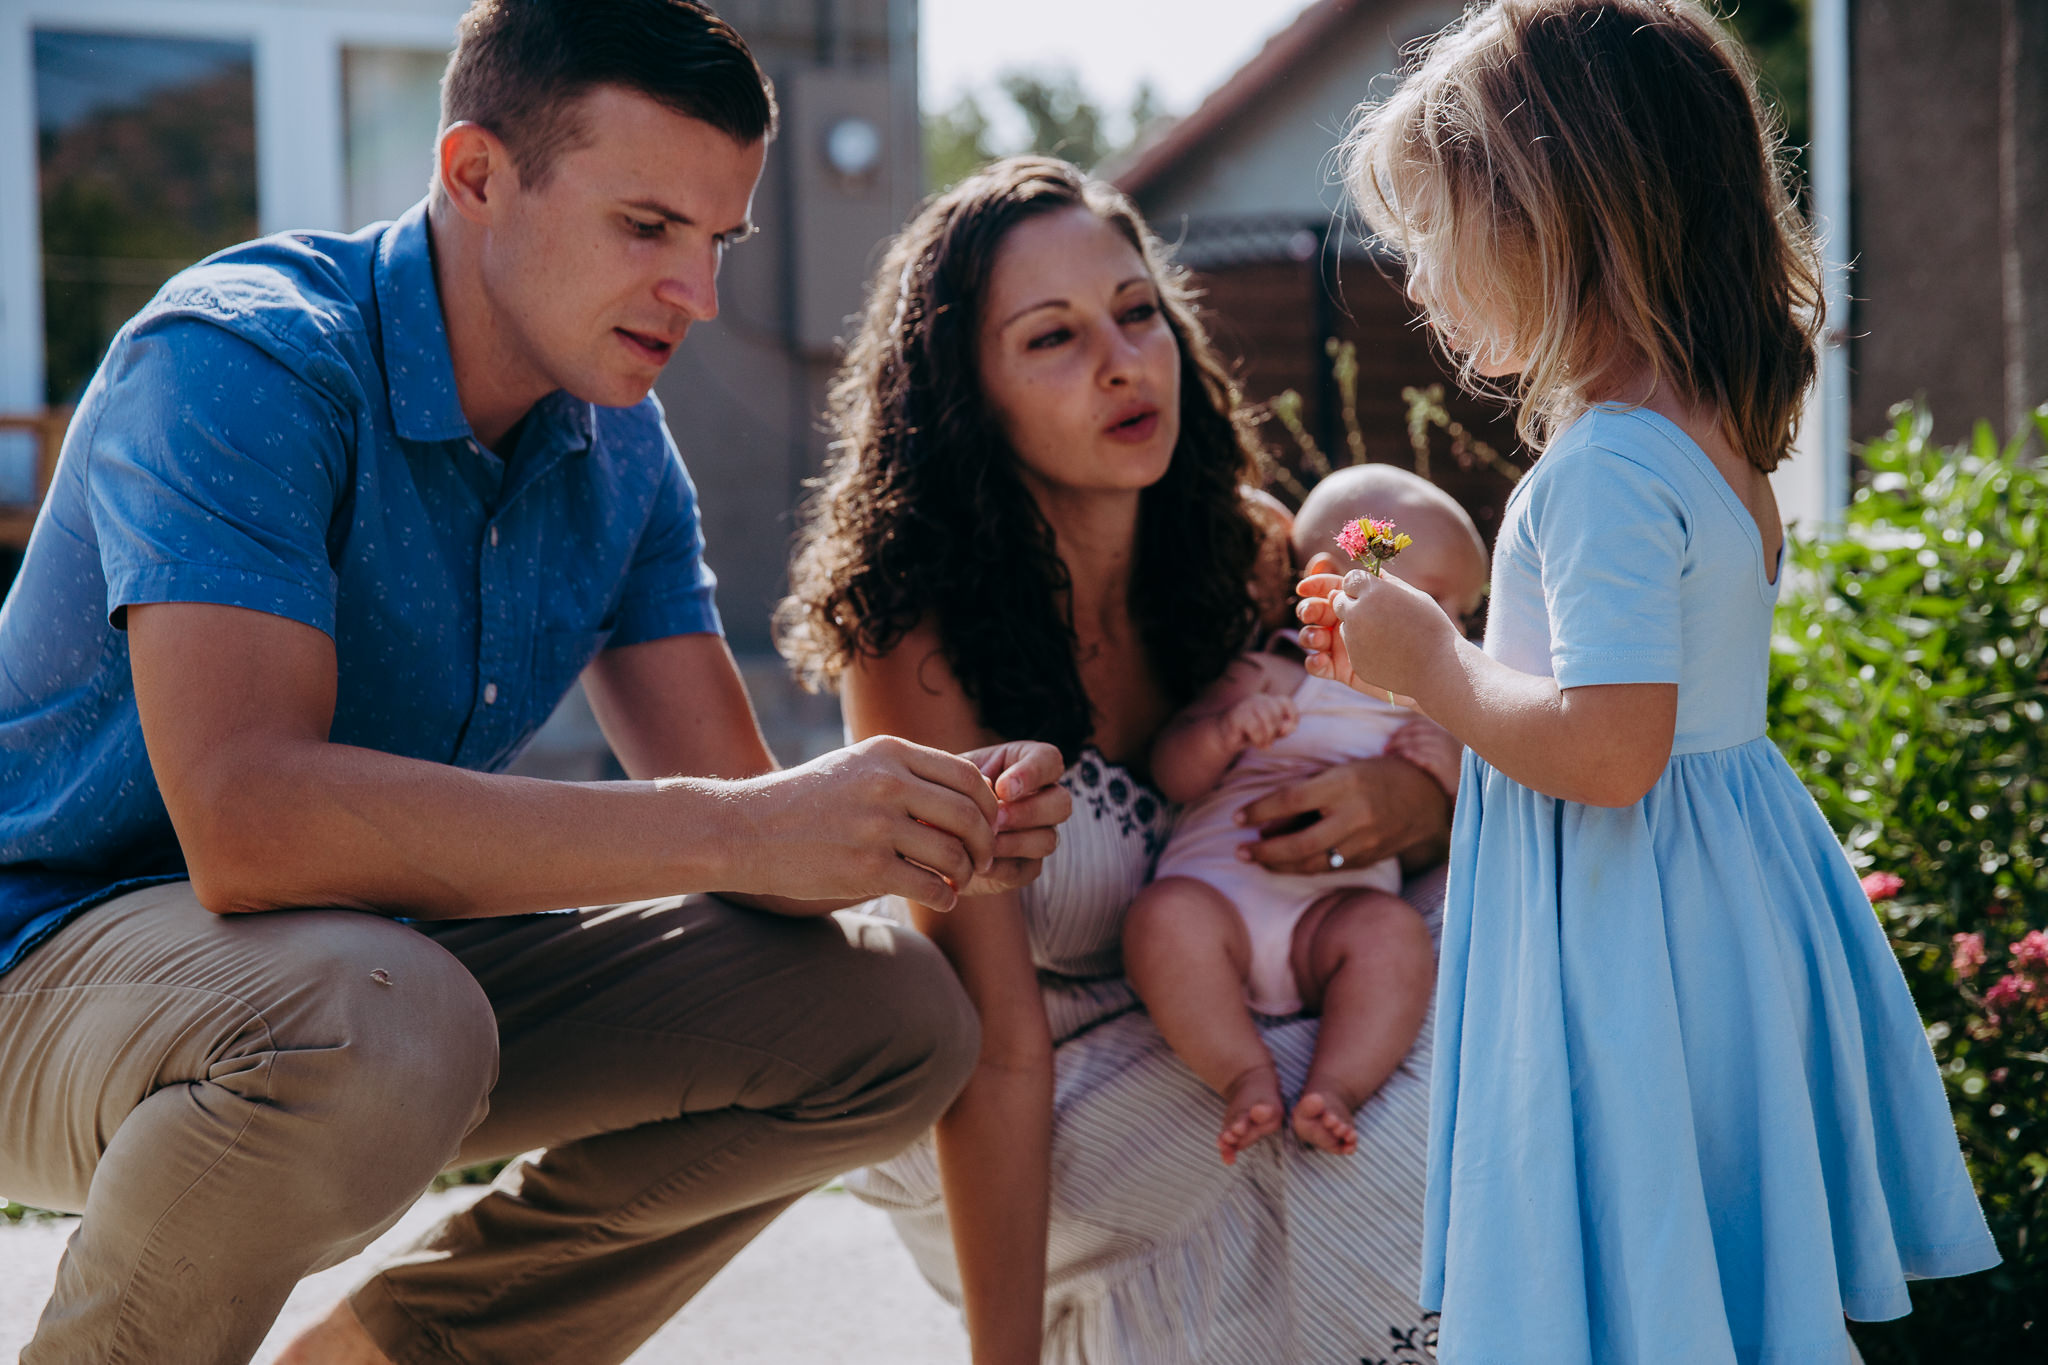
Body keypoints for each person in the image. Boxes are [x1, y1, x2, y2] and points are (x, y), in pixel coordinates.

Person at [0, 4, 1071, 1363]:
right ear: (473, 175)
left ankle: (386, 1355)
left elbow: (751, 825)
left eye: (717, 239)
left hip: (357, 969)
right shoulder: (242, 359)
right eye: (646, 228)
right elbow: (250, 825)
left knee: (894, 1016)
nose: (700, 295)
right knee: (384, 1021)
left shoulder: (616, 445)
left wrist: (915, 825)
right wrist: (746, 828)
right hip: (41, 965)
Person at [1298, 2, 2000, 1359]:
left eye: (1441, 232)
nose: (1424, 279)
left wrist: (1429, 659)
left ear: (1561, 220)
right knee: (1715, 1282)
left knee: (1645, 1281)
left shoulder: (1608, 469)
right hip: (1718, 900)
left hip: (1636, 933)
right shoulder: (1714, 438)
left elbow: (1611, 750)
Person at [777, 156, 1455, 1365]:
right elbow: (992, 1042)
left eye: (1136, 313)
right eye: (1051, 338)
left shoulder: (1243, 551)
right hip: (1031, 1078)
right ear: (965, 393)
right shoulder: (917, 646)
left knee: (1507, 963)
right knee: (1377, 1123)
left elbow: (1389, 722)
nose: (1120, 361)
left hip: (1241, 994)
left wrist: (1406, 804)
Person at [1125, 465, 1485, 1165]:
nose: (1454, 633)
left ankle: (1337, 1086)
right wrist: (1224, 732)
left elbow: (1479, 812)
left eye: (1465, 616)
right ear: (1331, 580)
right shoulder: (1266, 674)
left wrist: (1452, 771)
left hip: (1332, 918)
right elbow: (1169, 770)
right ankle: (1242, 1072)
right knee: (1160, 919)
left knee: (1393, 935)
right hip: (1218, 900)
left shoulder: (1436, 709)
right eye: (1435, 603)